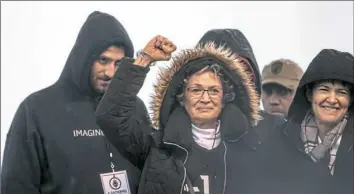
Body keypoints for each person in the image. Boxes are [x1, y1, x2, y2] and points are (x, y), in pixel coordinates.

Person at [1, 11, 148, 194]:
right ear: (84, 58)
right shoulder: (36, 110)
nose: (110, 72)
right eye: (103, 60)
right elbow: (17, 185)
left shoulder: (134, 108)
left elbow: (153, 174)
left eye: (118, 63)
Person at [96, 35, 262, 194]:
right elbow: (110, 117)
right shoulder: (156, 147)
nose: (205, 98)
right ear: (181, 98)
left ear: (225, 98)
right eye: (196, 90)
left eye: (214, 91)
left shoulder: (251, 147)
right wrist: (144, 59)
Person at [263, 49, 353, 194]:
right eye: (324, 89)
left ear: (350, 100)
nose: (331, 99)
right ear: (309, 94)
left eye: (341, 92)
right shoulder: (278, 140)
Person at [197, 29, 284, 144]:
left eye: (242, 74)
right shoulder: (171, 133)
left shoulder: (278, 132)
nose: (233, 83)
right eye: (220, 74)